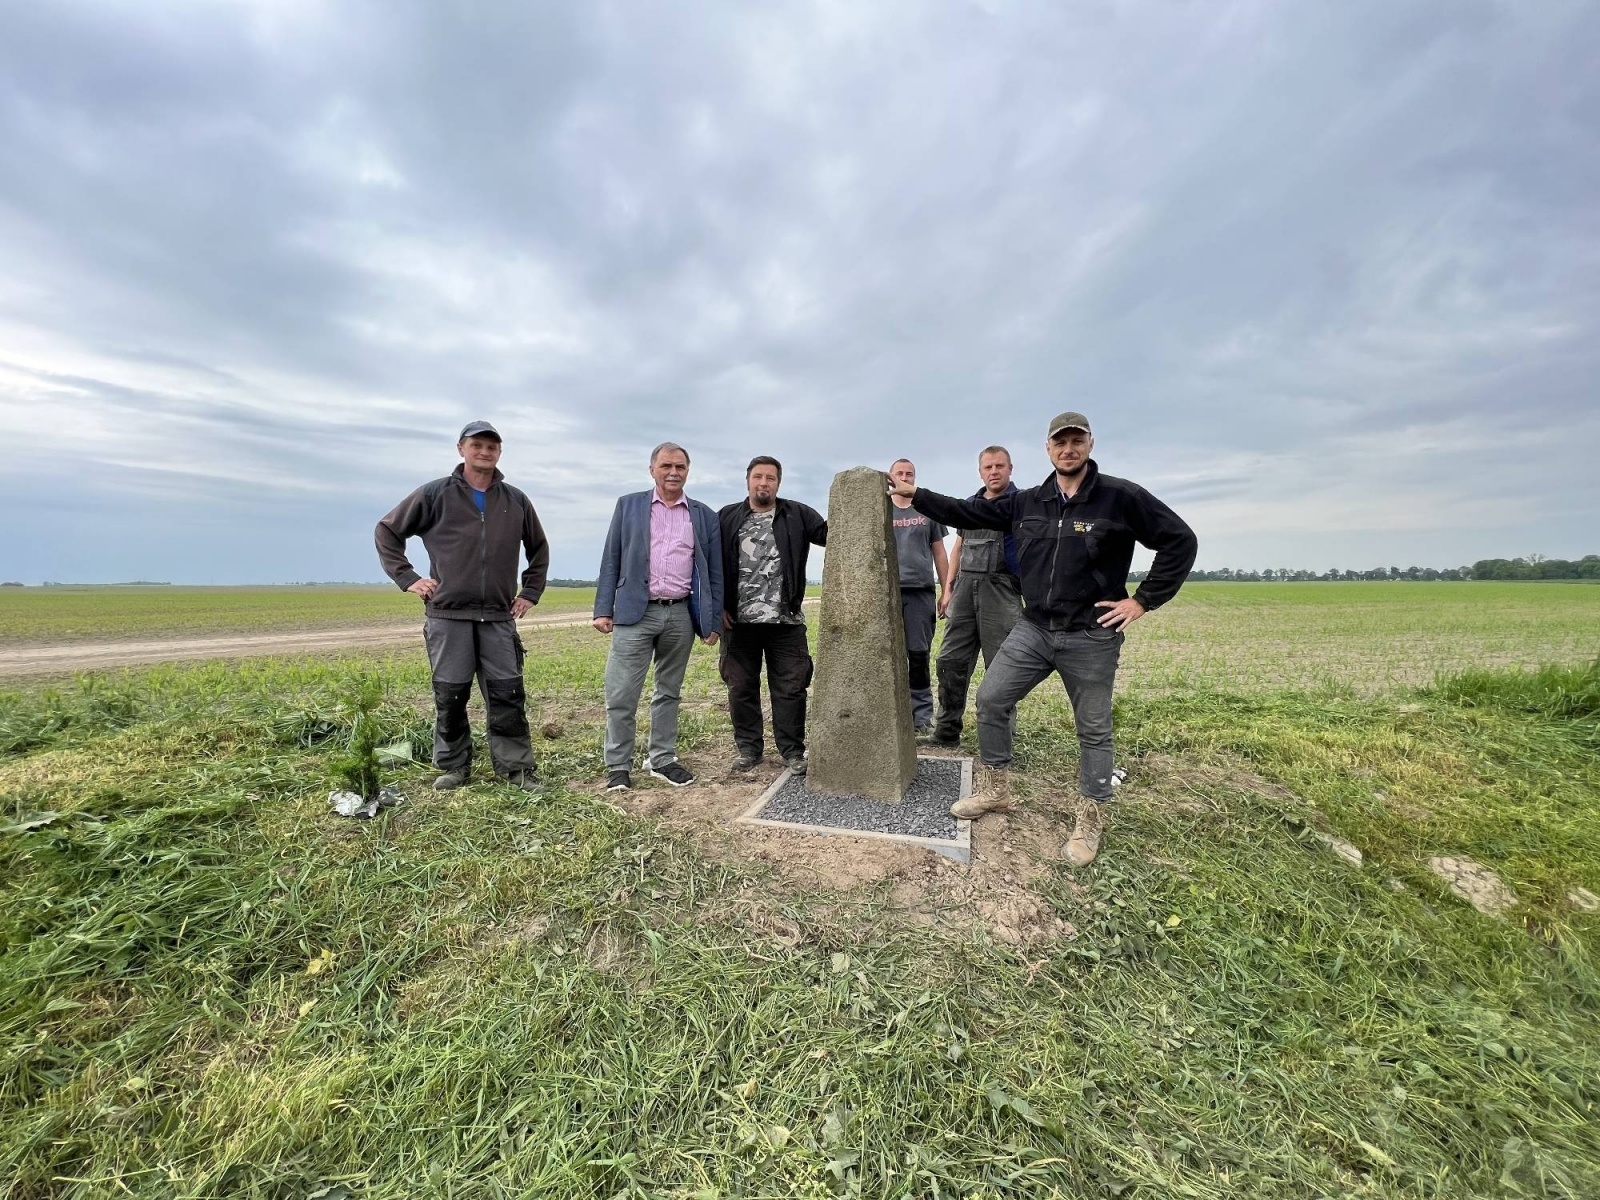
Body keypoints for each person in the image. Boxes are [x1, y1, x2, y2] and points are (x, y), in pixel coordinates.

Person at [889, 412, 1197, 867]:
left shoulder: (1121, 497)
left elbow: (1180, 541)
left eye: (1076, 440)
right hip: (1034, 628)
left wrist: (1143, 600)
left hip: (1091, 635)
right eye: (1060, 442)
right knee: (992, 700)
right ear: (1048, 449)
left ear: (1090, 443)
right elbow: (966, 511)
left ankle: (1090, 817)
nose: (1068, 449)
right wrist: (917, 496)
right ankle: (995, 792)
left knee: (1093, 729)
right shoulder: (1028, 502)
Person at [375, 420, 549, 792]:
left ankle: (516, 769)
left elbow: (538, 549)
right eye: (477, 445)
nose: (484, 452)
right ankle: (454, 767)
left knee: (507, 694)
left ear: (499, 452)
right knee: (450, 695)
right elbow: (387, 531)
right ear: (461, 449)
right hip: (448, 615)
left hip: (498, 618)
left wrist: (530, 592)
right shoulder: (434, 495)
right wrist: (409, 578)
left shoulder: (515, 500)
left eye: (492, 446)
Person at [593, 442, 723, 792]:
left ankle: (661, 758)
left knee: (669, 692)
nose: (673, 472)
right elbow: (612, 557)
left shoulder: (703, 515)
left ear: (687, 471)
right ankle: (618, 765)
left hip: (680, 614)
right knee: (622, 694)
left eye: (680, 467)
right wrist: (603, 608)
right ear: (652, 469)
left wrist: (710, 622)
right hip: (635, 613)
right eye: (666, 466)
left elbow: (713, 572)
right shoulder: (629, 506)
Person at [718, 456, 828, 774]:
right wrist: (716, 607)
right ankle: (749, 749)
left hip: (786, 620)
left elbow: (833, 535)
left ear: (778, 483)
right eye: (758, 477)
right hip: (738, 622)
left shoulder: (797, 514)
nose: (763, 483)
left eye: (770, 478)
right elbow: (707, 562)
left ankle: (793, 751)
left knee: (791, 687)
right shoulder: (727, 517)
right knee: (740, 687)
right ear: (748, 480)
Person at [929, 445, 1024, 748]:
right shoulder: (970, 505)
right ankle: (946, 732)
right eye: (988, 467)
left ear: (1010, 469)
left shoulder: (1021, 505)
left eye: (999, 466)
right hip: (965, 592)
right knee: (949, 661)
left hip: (1002, 591)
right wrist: (947, 588)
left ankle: (999, 738)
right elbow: (958, 546)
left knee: (1002, 668)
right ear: (980, 472)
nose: (993, 472)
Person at [887, 459, 950, 732]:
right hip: (885, 594)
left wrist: (947, 590)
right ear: (890, 478)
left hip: (920, 593)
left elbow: (940, 553)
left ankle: (921, 717)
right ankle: (890, 713)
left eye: (909, 473)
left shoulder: (926, 510)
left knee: (918, 655)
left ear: (914, 478)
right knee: (886, 656)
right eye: (899, 473)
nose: (904, 477)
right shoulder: (880, 510)